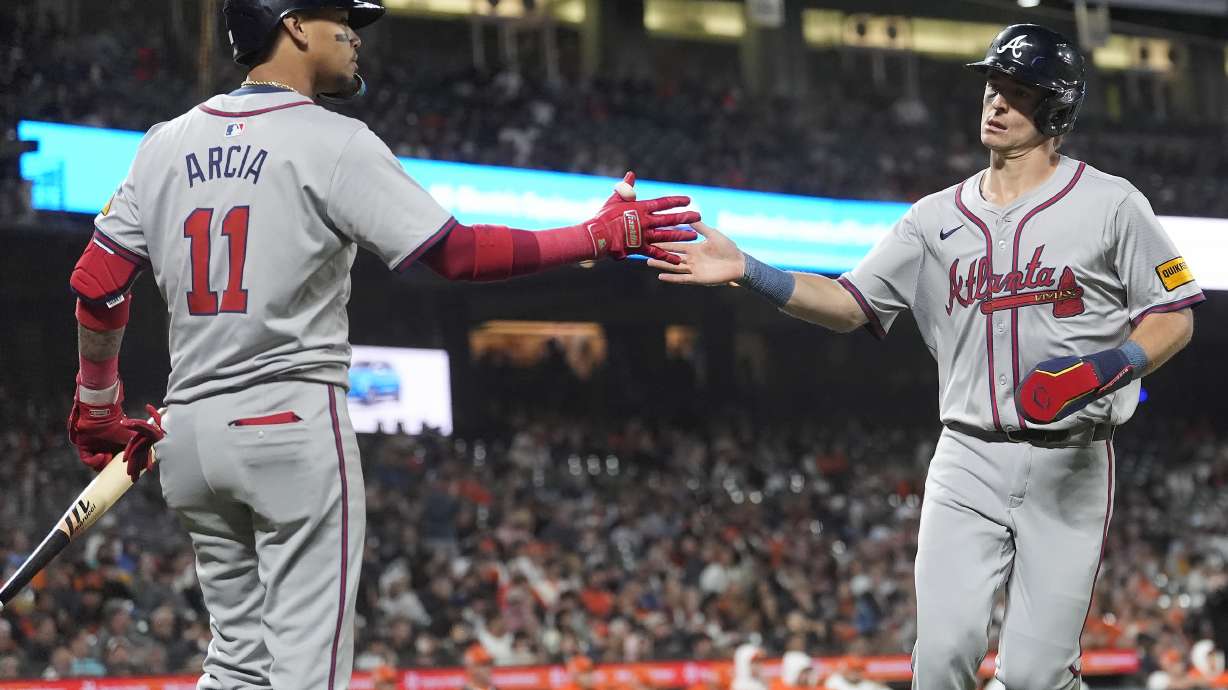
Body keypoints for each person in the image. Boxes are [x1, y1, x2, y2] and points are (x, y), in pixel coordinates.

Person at [63, 1, 699, 688]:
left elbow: (98, 283)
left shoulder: (163, 142)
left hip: (186, 436)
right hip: (288, 421)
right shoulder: (331, 139)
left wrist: (97, 407)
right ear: (295, 25)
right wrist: (596, 237)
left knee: (236, 667)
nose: (356, 37)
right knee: (309, 676)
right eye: (343, 20)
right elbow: (456, 253)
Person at [639, 23, 1202, 690]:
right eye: (993, 87)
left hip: (1073, 461)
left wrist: (1108, 369)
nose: (994, 102)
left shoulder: (1112, 204)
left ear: (1056, 108)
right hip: (967, 456)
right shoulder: (933, 217)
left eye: (1016, 92)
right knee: (940, 663)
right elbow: (850, 302)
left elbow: (1173, 315)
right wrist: (750, 270)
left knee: (1034, 675)